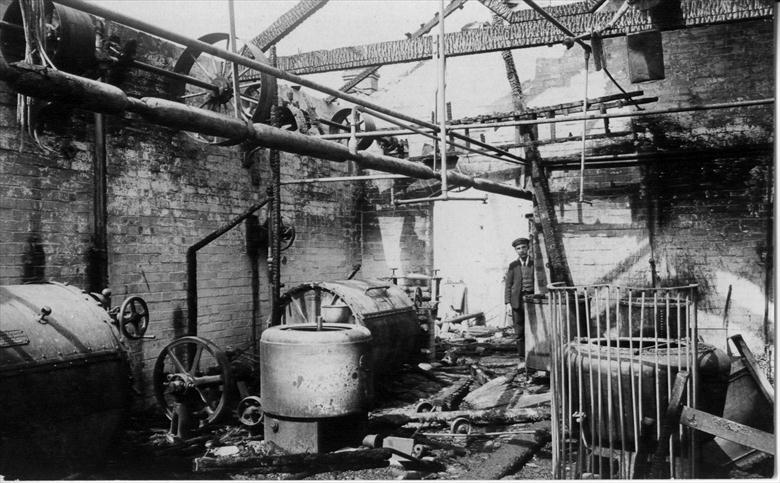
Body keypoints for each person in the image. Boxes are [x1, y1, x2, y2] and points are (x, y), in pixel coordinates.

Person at [505, 237, 534, 357]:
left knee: (533, 328)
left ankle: (533, 354)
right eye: (518, 248)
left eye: (523, 247)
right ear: (516, 251)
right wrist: (507, 303)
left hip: (532, 300)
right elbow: (508, 285)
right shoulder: (513, 265)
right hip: (517, 301)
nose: (521, 250)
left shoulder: (535, 263)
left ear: (528, 248)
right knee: (519, 330)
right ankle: (522, 356)